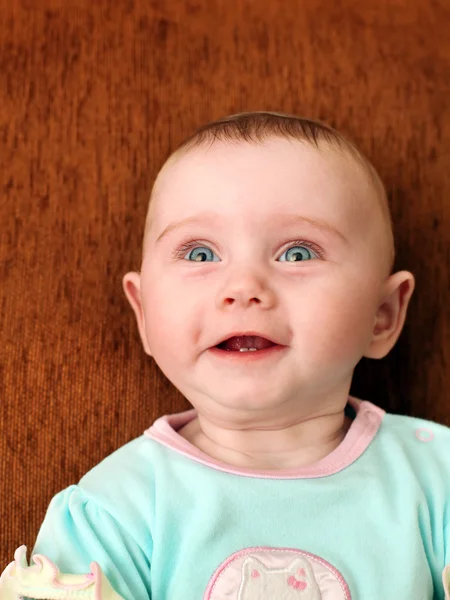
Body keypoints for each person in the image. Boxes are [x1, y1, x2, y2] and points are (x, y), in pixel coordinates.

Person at [1, 111, 449, 600]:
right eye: (199, 254)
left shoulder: (435, 478)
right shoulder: (116, 511)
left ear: (381, 316)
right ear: (145, 314)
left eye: (296, 253)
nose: (243, 288)